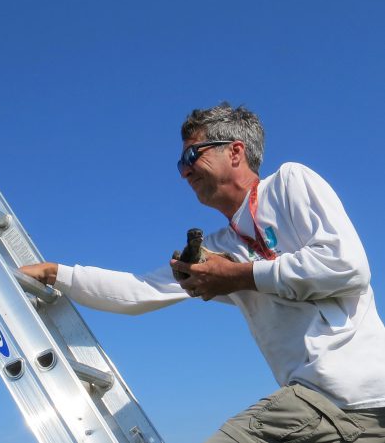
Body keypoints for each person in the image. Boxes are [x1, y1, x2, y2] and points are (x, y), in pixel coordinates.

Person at [20, 103, 385, 442]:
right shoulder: (216, 249)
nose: (185, 172)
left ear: (236, 152)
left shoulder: (290, 183)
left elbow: (348, 267)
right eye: (181, 165)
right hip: (315, 404)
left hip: (363, 394)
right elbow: (139, 290)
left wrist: (241, 276)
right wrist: (57, 274)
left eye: (192, 156)